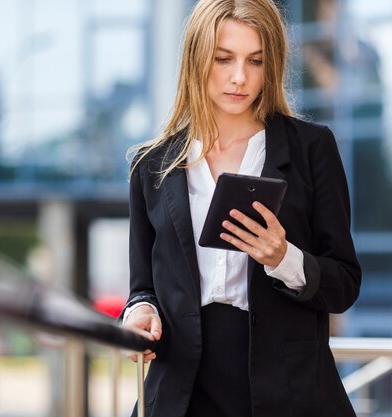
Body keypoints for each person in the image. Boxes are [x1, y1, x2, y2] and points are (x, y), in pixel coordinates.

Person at [120, 0, 361, 416]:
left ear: (274, 66)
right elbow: (143, 285)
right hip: (183, 387)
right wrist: (140, 310)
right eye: (223, 58)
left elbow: (345, 284)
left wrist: (284, 259)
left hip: (288, 387)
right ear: (197, 60)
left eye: (256, 61)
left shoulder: (311, 148)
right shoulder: (151, 165)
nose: (239, 77)